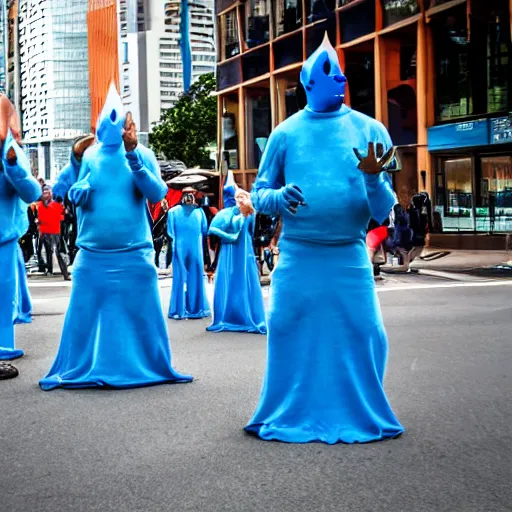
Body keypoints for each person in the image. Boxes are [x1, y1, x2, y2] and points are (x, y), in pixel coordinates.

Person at [244, 34, 404, 444]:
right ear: (307, 81)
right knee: (285, 326)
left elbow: (384, 207)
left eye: (340, 72)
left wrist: (371, 178)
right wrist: (279, 198)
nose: (338, 78)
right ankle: (290, 406)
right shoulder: (285, 133)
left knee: (366, 329)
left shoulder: (369, 128)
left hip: (347, 254)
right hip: (299, 253)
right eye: (327, 71)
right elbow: (260, 194)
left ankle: (359, 406)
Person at [39, 85, 192, 390]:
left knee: (143, 314)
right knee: (83, 316)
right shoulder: (89, 155)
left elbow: (158, 193)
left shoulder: (142, 153)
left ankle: (149, 363)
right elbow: (62, 191)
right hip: (92, 254)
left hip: (134, 252)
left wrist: (134, 157)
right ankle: (80, 363)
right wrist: (76, 179)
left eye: (121, 121)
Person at [0, 94, 41, 377]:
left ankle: (2, 349)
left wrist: (12, 167)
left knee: (3, 297)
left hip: (3, 238)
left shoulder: (10, 151)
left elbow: (32, 193)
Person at [207, 189, 266, 334]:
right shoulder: (228, 213)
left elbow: (251, 231)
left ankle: (247, 314)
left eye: (243, 196)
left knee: (244, 278)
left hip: (244, 248)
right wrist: (228, 237)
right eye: (238, 196)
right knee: (229, 278)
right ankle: (228, 315)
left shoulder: (251, 213)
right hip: (230, 249)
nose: (241, 199)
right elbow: (213, 229)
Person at [167, 187, 210, 320]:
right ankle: (185, 307)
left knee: (191, 276)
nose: (188, 197)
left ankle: (188, 307)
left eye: (190, 194)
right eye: (186, 194)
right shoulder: (176, 212)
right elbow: (204, 229)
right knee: (183, 277)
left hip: (188, 247)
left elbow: (204, 230)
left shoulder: (198, 212)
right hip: (187, 247)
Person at [36, 185, 70, 280]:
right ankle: (53, 270)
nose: (45, 195)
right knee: (51, 251)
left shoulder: (52, 205)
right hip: (49, 231)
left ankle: (59, 272)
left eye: (47, 193)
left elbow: (63, 215)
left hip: (53, 231)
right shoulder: (43, 206)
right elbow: (63, 215)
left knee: (54, 251)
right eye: (44, 193)